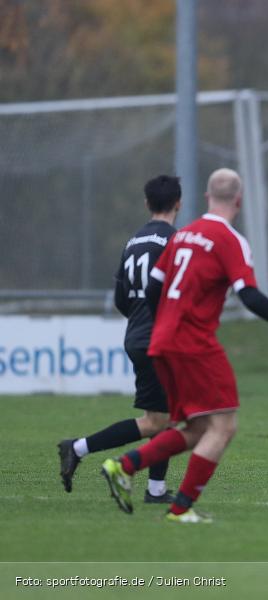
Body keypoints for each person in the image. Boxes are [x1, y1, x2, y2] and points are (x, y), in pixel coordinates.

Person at [100, 168, 268, 523]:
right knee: (224, 427)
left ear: (206, 198)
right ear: (239, 201)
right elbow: (248, 294)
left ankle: (124, 466)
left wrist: (165, 322)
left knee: (197, 429)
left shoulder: (182, 235)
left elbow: (153, 288)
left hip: (161, 342)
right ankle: (180, 509)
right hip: (193, 344)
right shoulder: (230, 240)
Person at [58, 175, 181, 502]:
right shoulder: (176, 241)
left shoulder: (132, 242)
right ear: (178, 204)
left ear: (146, 204)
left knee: (163, 416)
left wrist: (140, 322)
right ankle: (79, 448)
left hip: (137, 335)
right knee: (158, 421)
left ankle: (155, 489)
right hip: (159, 339)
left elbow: (120, 298)